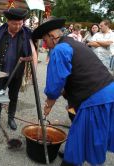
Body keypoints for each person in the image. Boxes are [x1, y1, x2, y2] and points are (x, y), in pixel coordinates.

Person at [32, 17, 114, 166]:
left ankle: (72, 160)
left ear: (52, 37)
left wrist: (49, 103)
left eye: (45, 40)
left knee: (79, 141)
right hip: (108, 91)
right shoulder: (73, 43)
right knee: (89, 132)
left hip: (95, 98)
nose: (46, 45)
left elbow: (55, 83)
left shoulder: (60, 49)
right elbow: (71, 75)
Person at [0, 8, 38, 130]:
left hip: (17, 72)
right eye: (14, 23)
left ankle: (11, 118)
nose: (18, 26)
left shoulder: (26, 33)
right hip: (0, 71)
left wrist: (34, 71)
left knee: (14, 96)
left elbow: (33, 52)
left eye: (20, 23)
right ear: (8, 22)